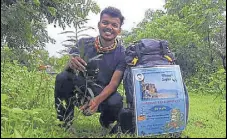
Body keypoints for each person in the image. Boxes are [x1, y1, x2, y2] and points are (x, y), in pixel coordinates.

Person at [54, 6, 126, 134]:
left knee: (116, 101)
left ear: (119, 30)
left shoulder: (122, 54)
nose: (109, 27)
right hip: (80, 91)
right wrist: (70, 64)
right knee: (62, 78)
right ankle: (65, 122)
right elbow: (67, 70)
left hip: (103, 94)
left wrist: (96, 101)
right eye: (105, 22)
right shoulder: (83, 43)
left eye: (114, 25)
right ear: (99, 25)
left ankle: (106, 122)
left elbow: (113, 84)